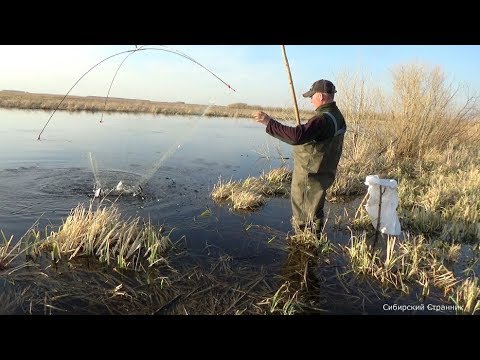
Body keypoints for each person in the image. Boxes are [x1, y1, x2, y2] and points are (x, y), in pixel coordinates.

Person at [253, 79, 346, 234]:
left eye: (312, 96)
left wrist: (268, 122)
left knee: (304, 212)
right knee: (315, 208)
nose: (310, 100)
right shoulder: (337, 115)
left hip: (309, 175)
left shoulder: (321, 119)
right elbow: (309, 135)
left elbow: (296, 137)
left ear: (321, 97)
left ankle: (304, 241)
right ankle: (313, 239)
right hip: (323, 173)